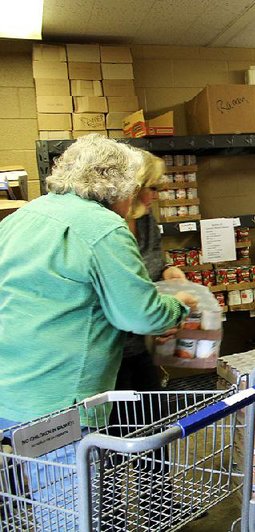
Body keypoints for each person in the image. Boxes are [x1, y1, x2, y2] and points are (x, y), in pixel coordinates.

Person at [0, 134, 195, 530]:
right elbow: (140, 315)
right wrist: (178, 305)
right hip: (61, 401)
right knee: (71, 515)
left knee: (39, 507)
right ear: (119, 186)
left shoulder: (24, 217)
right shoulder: (102, 226)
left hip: (11, 394)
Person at [117, 150, 186, 392]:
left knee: (154, 416)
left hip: (143, 344)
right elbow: (121, 291)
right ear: (134, 188)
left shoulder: (145, 219)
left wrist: (167, 271)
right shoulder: (109, 228)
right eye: (153, 188)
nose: (157, 196)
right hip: (112, 354)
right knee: (120, 425)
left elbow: (152, 262)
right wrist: (167, 314)